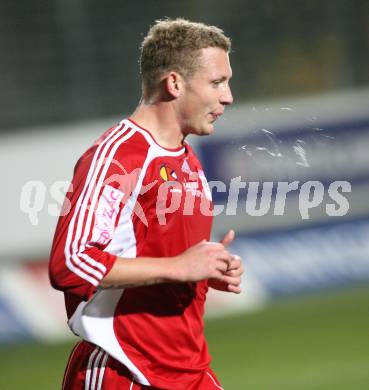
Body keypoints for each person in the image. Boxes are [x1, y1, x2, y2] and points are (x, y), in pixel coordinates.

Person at [49, 18, 244, 390]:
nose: (228, 96)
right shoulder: (119, 158)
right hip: (125, 369)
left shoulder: (186, 159)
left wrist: (206, 270)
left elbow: (164, 257)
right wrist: (177, 266)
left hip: (189, 370)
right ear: (174, 83)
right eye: (217, 82)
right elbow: (70, 262)